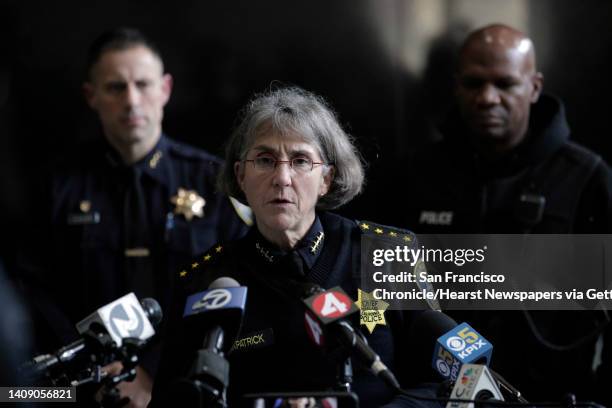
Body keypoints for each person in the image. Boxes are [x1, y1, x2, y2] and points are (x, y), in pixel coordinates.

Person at [152, 87, 439, 407]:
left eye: (300, 160)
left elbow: (441, 385)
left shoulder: (387, 254)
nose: (282, 177)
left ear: (327, 179)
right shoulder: (204, 280)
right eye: (265, 160)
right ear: (241, 175)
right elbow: (170, 400)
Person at [18, 27, 250, 407]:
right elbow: (35, 292)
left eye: (143, 84)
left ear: (166, 89)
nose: (131, 100)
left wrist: (151, 372)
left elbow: (230, 287)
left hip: (187, 384)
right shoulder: (57, 188)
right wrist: (93, 367)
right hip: (77, 389)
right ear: (91, 96)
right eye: (115, 87)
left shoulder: (214, 182)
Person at [391, 24, 612, 403]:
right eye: (474, 83)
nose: (487, 98)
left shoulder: (588, 179)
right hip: (431, 393)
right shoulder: (414, 176)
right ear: (456, 86)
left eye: (505, 84)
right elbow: (378, 290)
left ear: (535, 87)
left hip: (553, 395)